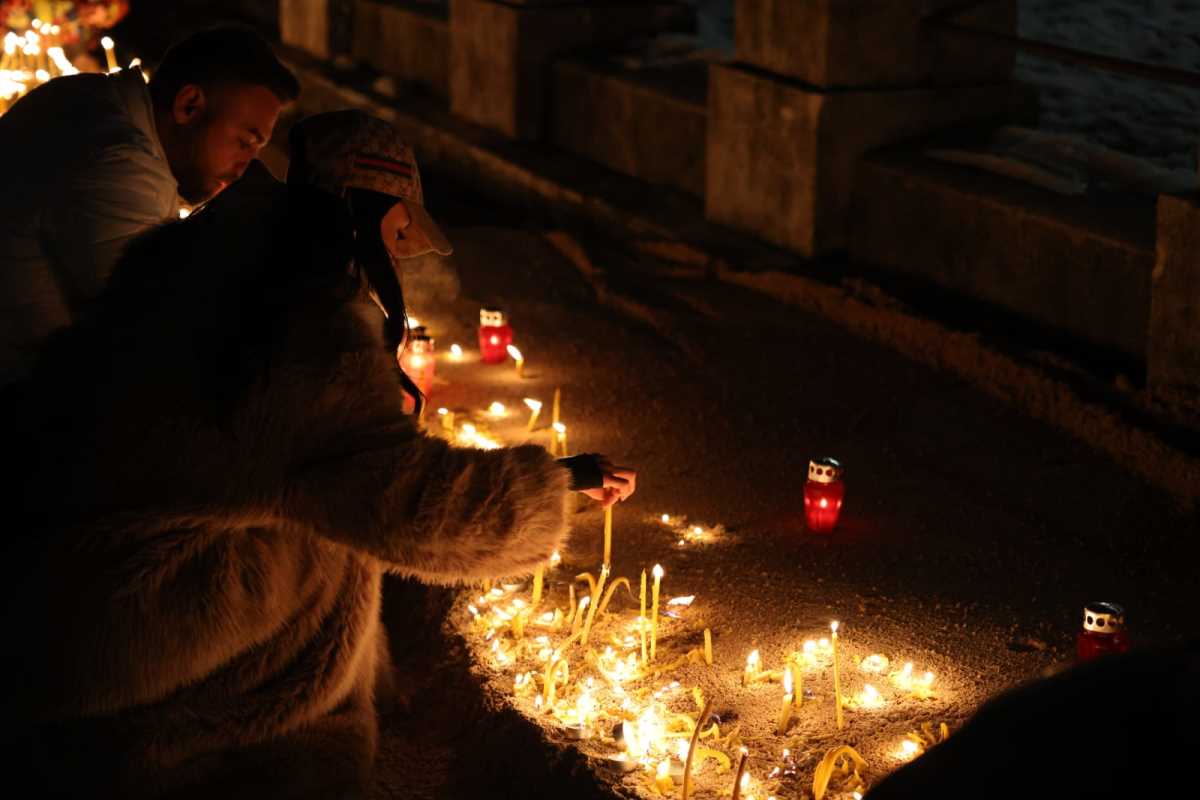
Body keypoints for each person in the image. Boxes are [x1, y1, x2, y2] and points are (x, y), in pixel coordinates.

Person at [4, 109, 636, 799]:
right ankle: (262, 749)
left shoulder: (201, 258)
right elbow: (405, 501)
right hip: (135, 631)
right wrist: (554, 484)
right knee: (328, 542)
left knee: (319, 504)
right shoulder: (290, 328)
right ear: (363, 215)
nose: (398, 259)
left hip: (60, 580)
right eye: (397, 235)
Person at [0, 24, 299, 386]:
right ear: (189, 106)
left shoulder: (85, 94)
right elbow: (162, 342)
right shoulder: (123, 164)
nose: (246, 167)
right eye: (246, 142)